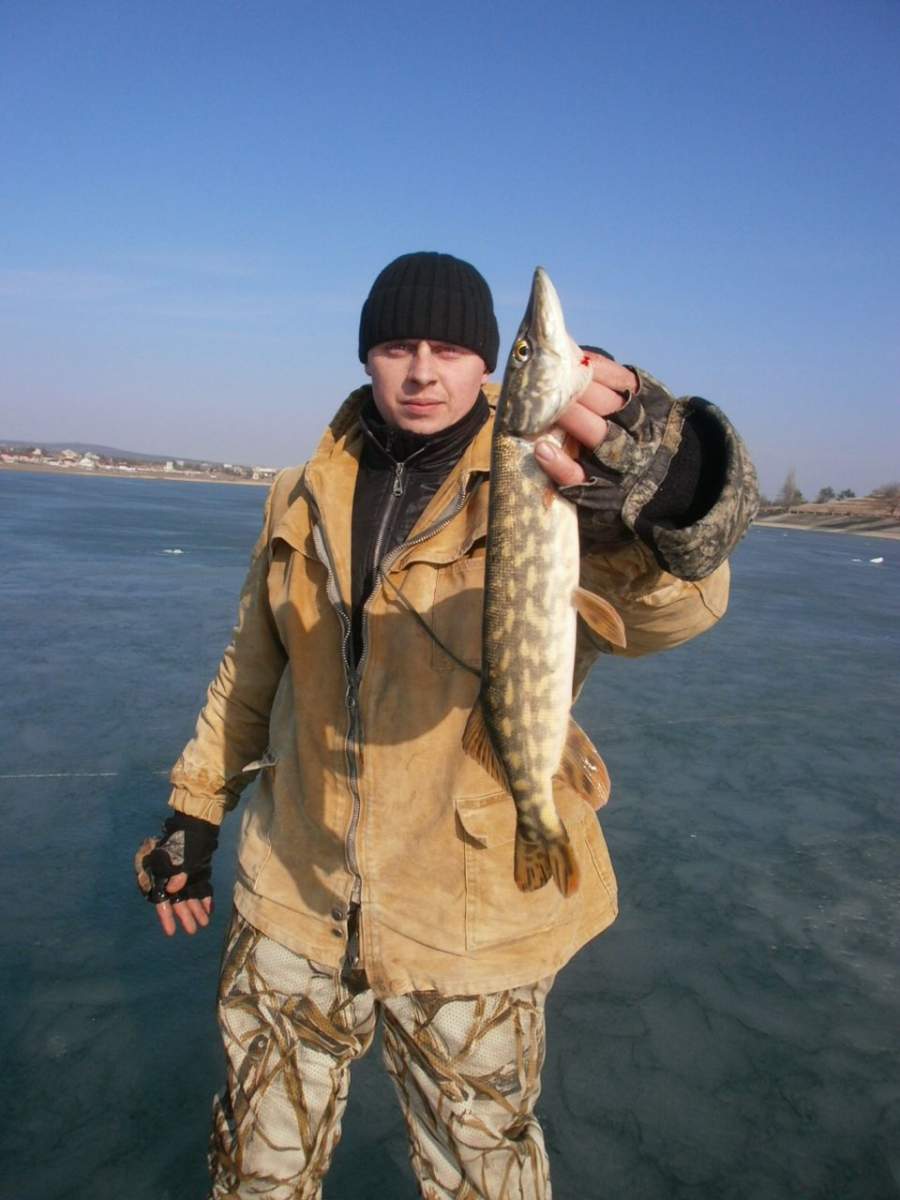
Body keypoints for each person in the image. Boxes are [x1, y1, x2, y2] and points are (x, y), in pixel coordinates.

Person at [135, 251, 758, 1199]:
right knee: (256, 1170)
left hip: (469, 914)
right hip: (293, 893)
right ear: (366, 356)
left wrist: (671, 502)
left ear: (489, 365)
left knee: (481, 1173)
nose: (422, 371)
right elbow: (252, 667)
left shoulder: (556, 476)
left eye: (452, 349)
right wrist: (195, 810)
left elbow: (677, 612)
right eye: (397, 346)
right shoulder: (299, 491)